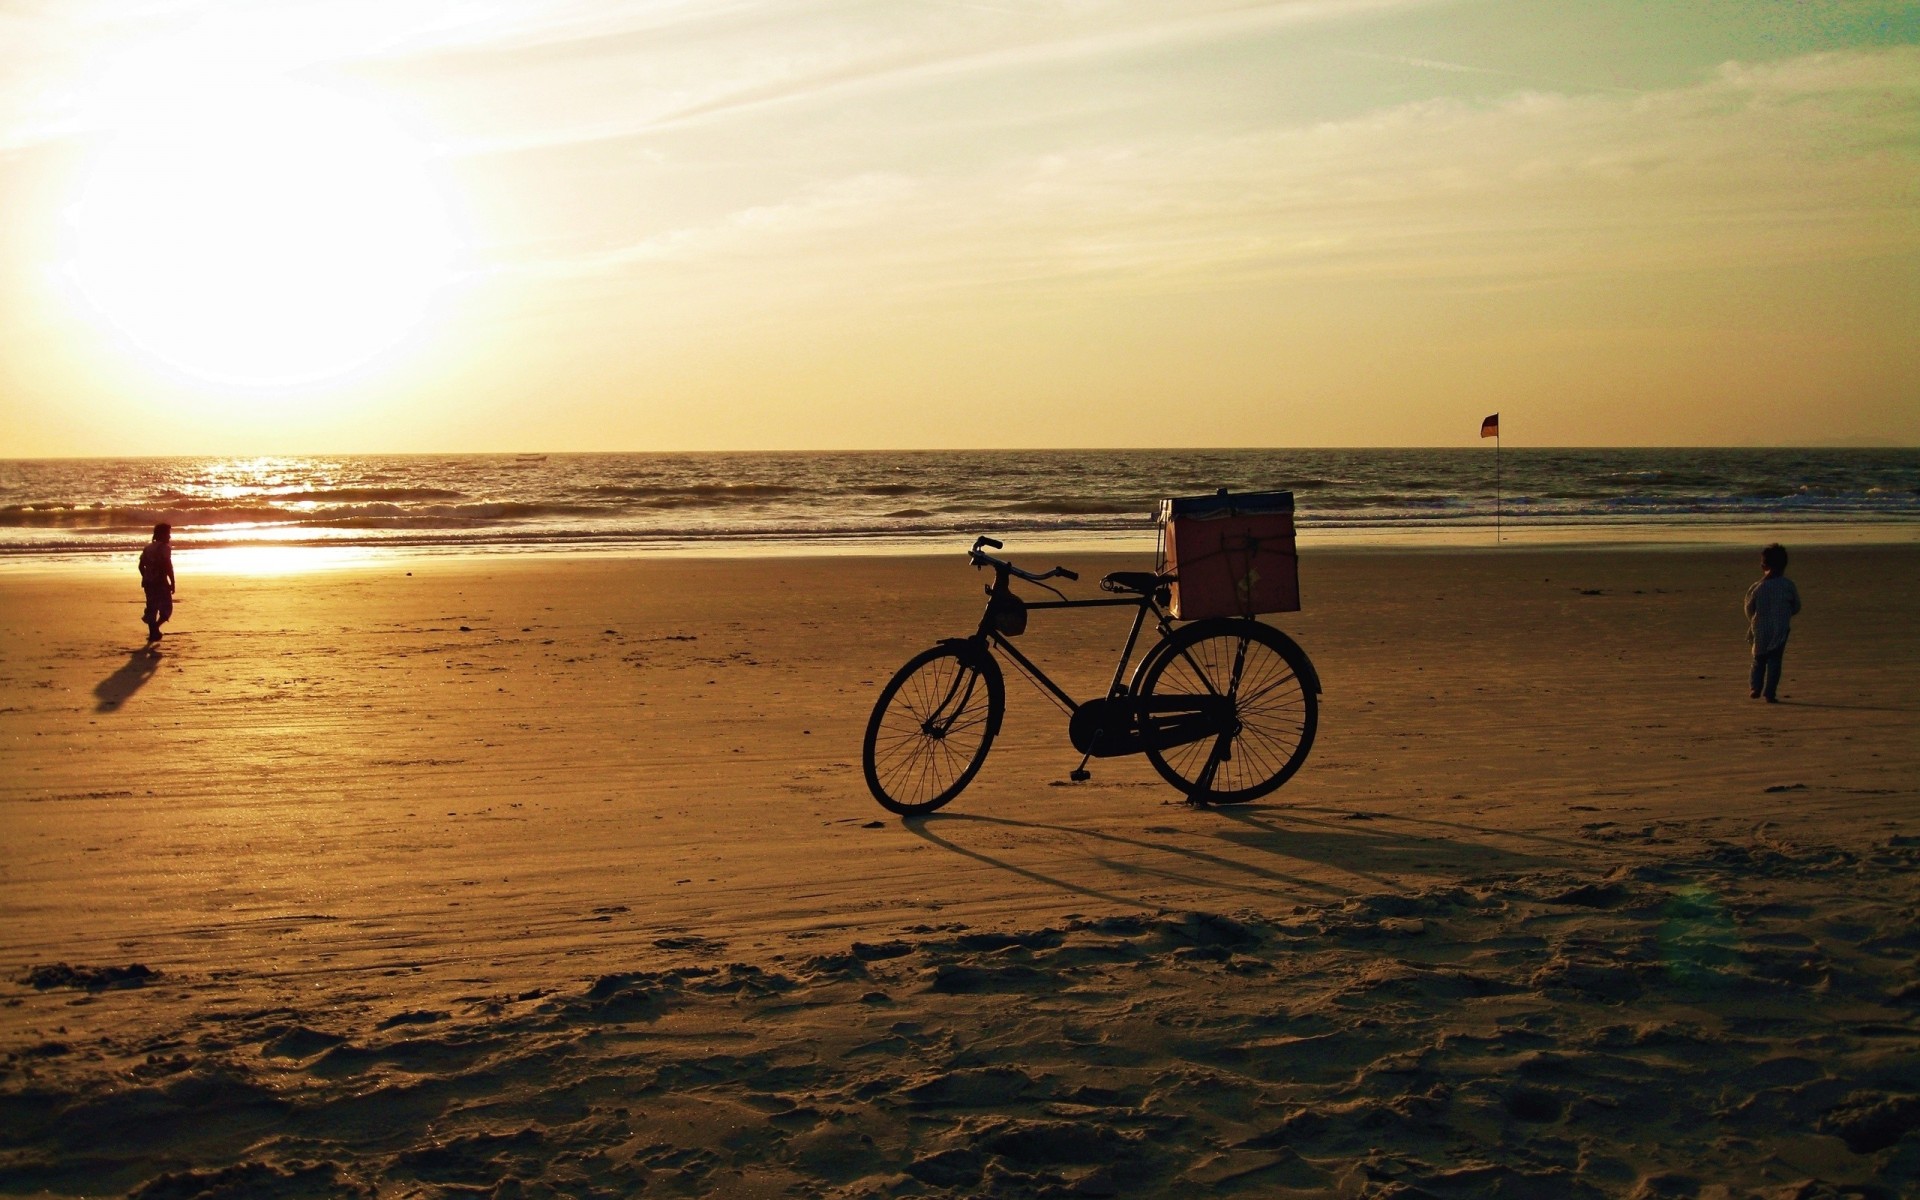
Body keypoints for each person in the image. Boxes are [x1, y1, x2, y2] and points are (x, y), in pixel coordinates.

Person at [1744, 542, 1800, 703]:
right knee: (1775, 661)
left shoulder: (1757, 587)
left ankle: (1755, 687)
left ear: (1763, 565)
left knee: (1759, 659)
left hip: (1760, 628)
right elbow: (1796, 606)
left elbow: (1749, 608)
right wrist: (1786, 614)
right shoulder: (1788, 585)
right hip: (1780, 628)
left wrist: (1754, 619)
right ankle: (1770, 692)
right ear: (1784, 565)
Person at [139, 523, 175, 643]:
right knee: (167, 607)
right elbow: (168, 566)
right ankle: (155, 627)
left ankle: (152, 633)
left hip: (148, 583)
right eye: (168, 534)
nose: (169, 537)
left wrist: (147, 576)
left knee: (152, 607)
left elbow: (140, 566)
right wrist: (172, 582)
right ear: (161, 534)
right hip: (161, 582)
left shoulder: (148, 548)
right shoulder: (165, 548)